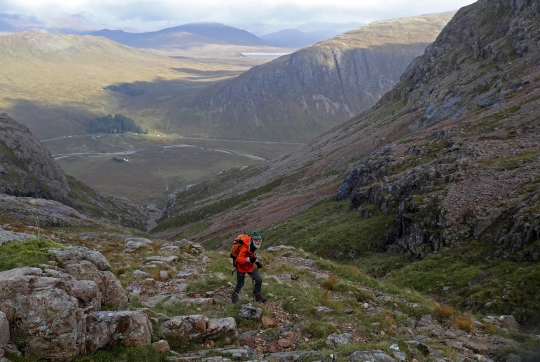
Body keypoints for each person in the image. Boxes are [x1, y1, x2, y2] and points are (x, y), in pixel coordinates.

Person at [231, 231, 267, 303]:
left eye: (259, 240)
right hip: (241, 267)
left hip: (250, 266)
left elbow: (252, 255)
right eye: (256, 240)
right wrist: (249, 259)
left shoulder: (253, 246)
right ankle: (234, 298)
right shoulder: (244, 247)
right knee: (240, 284)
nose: (258, 242)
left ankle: (258, 296)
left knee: (259, 279)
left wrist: (256, 262)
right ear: (253, 240)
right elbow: (239, 259)